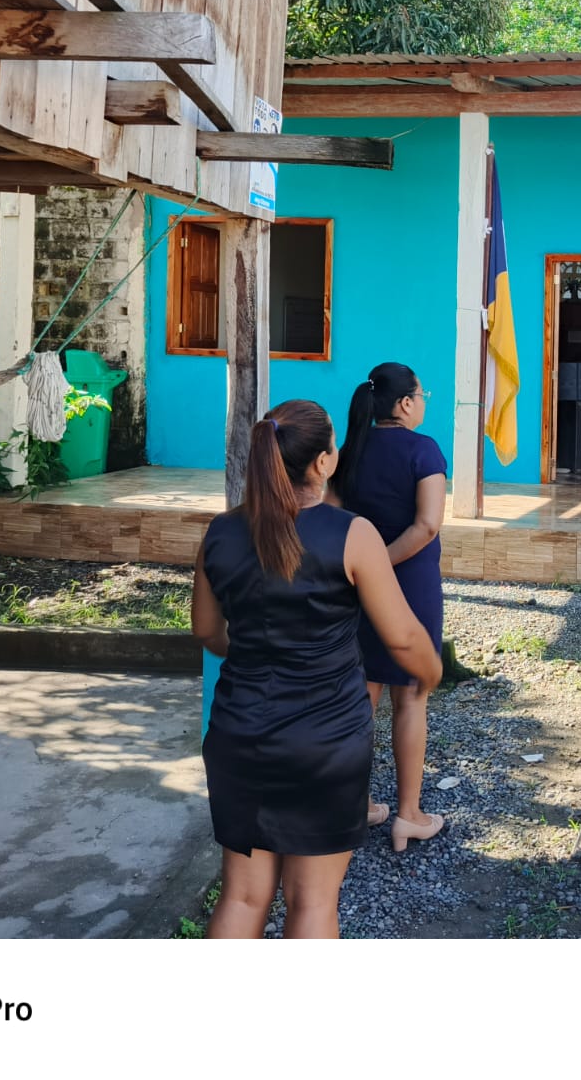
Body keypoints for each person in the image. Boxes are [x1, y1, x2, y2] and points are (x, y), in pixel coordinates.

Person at [192, 399, 442, 939]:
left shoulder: (221, 532)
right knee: (311, 903)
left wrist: (258, 649)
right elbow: (403, 637)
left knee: (242, 896)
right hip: (325, 744)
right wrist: (431, 671)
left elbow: (208, 631)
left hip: (239, 735)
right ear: (324, 462)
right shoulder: (353, 535)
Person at [331, 362, 449, 854]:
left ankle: (354, 806)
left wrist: (364, 567)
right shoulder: (424, 451)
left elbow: (332, 516)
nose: (423, 403)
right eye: (421, 395)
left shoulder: (348, 452)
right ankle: (409, 814)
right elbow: (427, 525)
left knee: (361, 697)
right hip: (411, 586)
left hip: (355, 587)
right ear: (404, 403)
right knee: (412, 697)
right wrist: (382, 563)